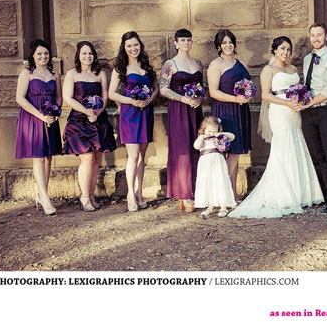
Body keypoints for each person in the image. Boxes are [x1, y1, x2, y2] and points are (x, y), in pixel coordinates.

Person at [229, 36, 324, 218]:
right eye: (282, 48)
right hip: (280, 112)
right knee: (283, 147)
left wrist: (300, 101)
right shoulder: (268, 69)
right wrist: (287, 103)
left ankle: (299, 193)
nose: (285, 52)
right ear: (274, 50)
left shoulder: (293, 69)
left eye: (288, 49)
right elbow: (265, 95)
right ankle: (282, 195)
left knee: (296, 144)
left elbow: (299, 90)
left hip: (295, 112)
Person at [62, 41, 117, 212]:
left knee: (95, 159)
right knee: (86, 158)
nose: (88, 56)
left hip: (98, 119)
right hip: (79, 121)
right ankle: (84, 196)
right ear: (78, 55)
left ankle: (91, 195)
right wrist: (86, 111)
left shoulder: (100, 73)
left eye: (90, 53)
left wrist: (97, 112)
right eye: (84, 53)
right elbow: (68, 98)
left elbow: (105, 96)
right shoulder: (72, 74)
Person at [108, 31, 159, 212]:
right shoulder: (120, 68)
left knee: (142, 155)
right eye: (129, 46)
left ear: (140, 45)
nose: (133, 48)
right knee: (133, 154)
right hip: (130, 114)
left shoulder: (147, 66)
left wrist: (149, 99)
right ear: (124, 47)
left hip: (145, 112)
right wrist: (131, 101)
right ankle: (130, 193)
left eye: (135, 45)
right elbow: (111, 93)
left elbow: (156, 88)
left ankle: (139, 192)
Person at [296, 23, 327, 212]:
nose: (315, 39)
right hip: (309, 113)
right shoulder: (308, 59)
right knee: (319, 155)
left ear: (326, 37)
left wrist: (309, 102)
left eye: (319, 35)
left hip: (325, 111)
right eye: (313, 35)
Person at [15, 39, 63, 215]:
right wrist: (40, 115)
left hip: (50, 117)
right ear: (33, 56)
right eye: (39, 54)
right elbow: (20, 98)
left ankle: (43, 194)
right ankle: (44, 196)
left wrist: (55, 112)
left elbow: (58, 97)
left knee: (48, 156)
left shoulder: (54, 74)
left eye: (46, 53)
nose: (43, 56)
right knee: (39, 157)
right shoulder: (27, 73)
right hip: (33, 118)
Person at [159, 28, 204, 213]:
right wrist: (183, 99)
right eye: (183, 40)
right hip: (179, 110)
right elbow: (163, 89)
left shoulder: (198, 63)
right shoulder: (170, 64)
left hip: (195, 110)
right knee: (183, 149)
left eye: (189, 40)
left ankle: (197, 190)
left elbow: (201, 86)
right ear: (176, 43)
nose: (186, 43)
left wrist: (199, 98)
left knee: (197, 147)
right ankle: (184, 194)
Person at [206, 30, 252, 203]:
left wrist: (247, 96)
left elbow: (248, 86)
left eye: (230, 42)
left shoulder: (241, 64)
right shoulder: (215, 64)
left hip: (241, 111)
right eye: (224, 42)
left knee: (236, 153)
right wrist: (235, 99)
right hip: (225, 112)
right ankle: (222, 193)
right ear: (219, 45)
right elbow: (213, 92)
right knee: (229, 153)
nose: (228, 45)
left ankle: (232, 192)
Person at [193, 116, 237, 218]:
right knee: (208, 183)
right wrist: (201, 137)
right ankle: (210, 206)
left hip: (218, 164)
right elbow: (196, 146)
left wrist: (220, 134)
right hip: (205, 165)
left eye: (214, 131)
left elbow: (232, 136)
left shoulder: (219, 138)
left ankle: (223, 207)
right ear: (204, 130)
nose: (211, 133)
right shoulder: (202, 139)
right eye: (209, 131)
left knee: (220, 181)